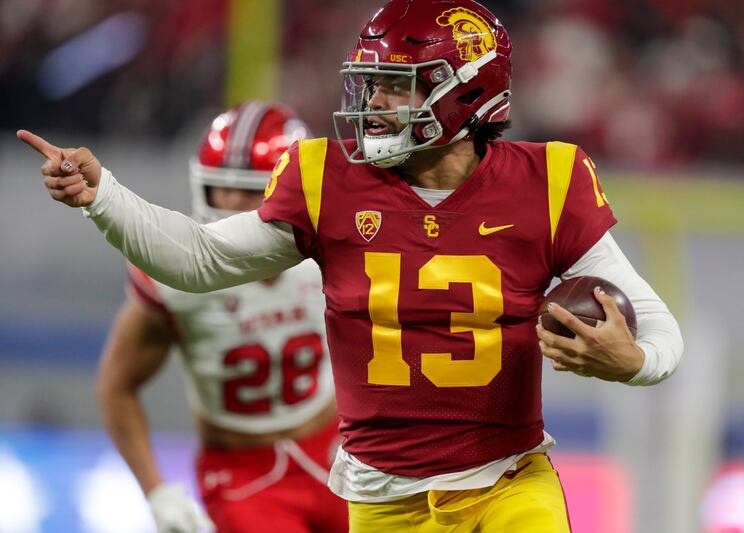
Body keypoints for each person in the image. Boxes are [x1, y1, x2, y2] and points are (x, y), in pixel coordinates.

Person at [19, 1, 684, 531]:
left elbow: (657, 327)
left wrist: (637, 363)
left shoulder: (549, 179)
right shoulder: (327, 179)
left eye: (395, 87)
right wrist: (101, 196)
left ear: (466, 94)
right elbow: (200, 259)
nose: (373, 104)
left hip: (506, 480)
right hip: (383, 498)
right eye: (372, 85)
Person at [94, 102, 348, 533]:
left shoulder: (334, 243)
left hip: (336, 445)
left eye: (250, 191)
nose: (230, 205)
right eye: (219, 190)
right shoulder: (175, 278)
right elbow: (117, 386)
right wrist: (156, 490)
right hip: (243, 473)